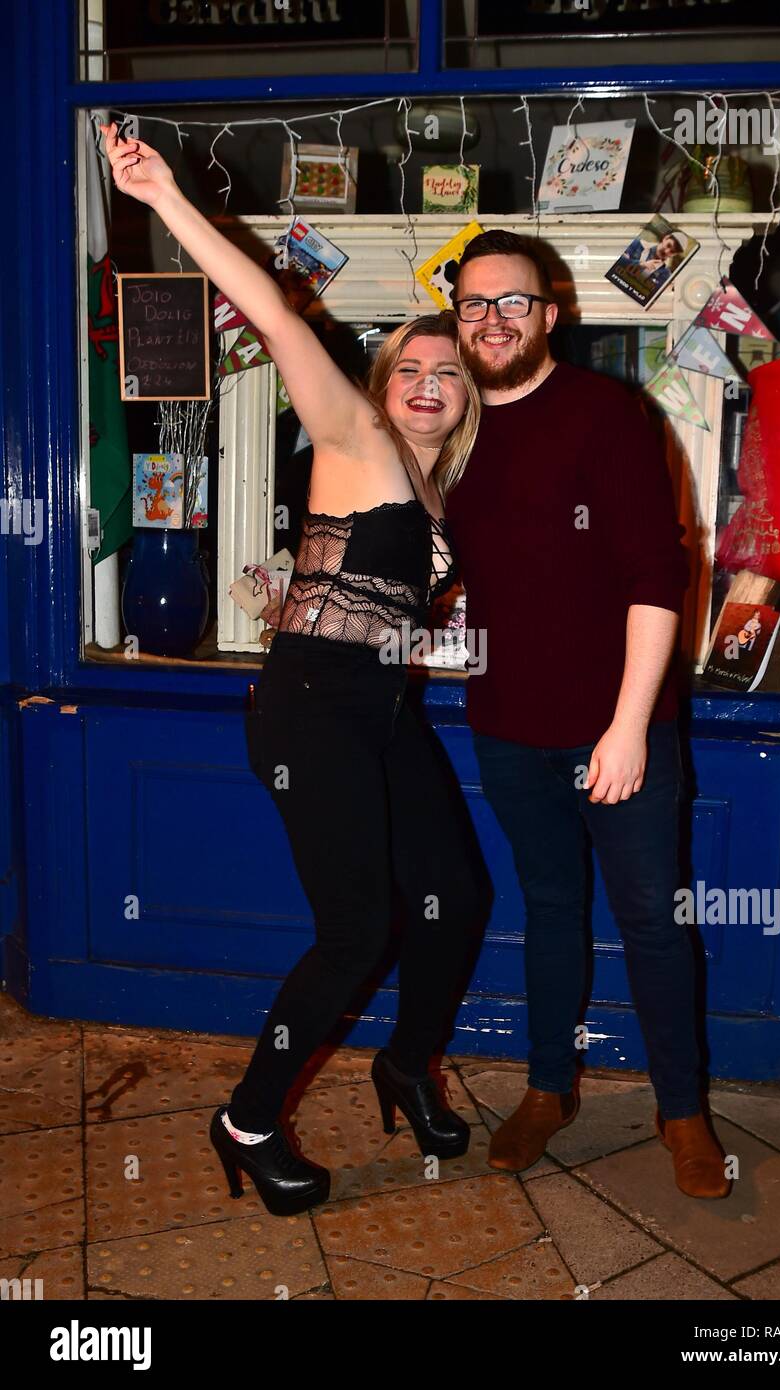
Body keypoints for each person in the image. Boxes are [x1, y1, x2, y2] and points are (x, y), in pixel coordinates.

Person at [101, 122, 486, 1218]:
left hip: (382, 710)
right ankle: (250, 1117)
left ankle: (406, 1065)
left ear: (463, 399)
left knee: (454, 896)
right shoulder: (351, 431)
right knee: (357, 926)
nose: (424, 381)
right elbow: (272, 309)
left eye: (444, 371)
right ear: (382, 380)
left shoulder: (446, 495)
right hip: (309, 707)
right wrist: (166, 199)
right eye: (408, 364)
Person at [445, 228, 731, 1199]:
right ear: (457, 317)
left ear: (548, 314)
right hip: (504, 725)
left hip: (618, 726)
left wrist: (625, 726)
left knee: (652, 919)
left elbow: (658, 573)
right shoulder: (452, 428)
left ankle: (681, 1109)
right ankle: (548, 1087)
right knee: (548, 909)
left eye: (510, 302)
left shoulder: (604, 413)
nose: (491, 320)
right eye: (474, 303)